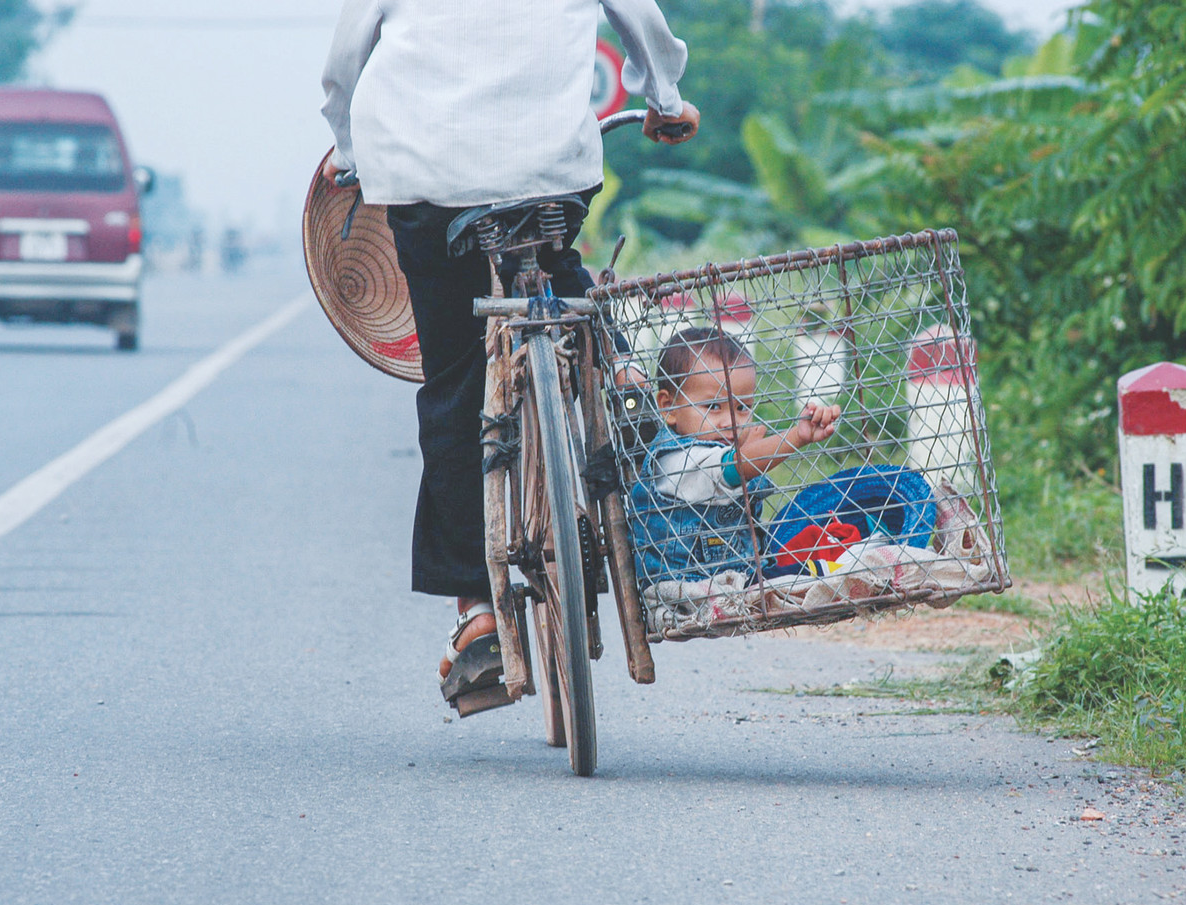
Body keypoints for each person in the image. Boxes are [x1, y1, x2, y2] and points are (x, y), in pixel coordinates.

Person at [318, 0, 701, 710]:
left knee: (456, 376)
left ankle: (478, 611)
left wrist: (346, 149)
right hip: (550, 172)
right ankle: (611, 375)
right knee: (563, 278)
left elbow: (343, 67)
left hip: (427, 186)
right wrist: (666, 98)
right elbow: (642, 22)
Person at [630, 326, 841, 587]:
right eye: (713, 407)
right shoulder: (676, 461)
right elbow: (734, 468)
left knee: (811, 549)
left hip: (739, 577)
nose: (730, 421)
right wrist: (797, 436)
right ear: (669, 407)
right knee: (814, 574)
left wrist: (748, 446)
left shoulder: (718, 449)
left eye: (742, 408)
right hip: (690, 588)